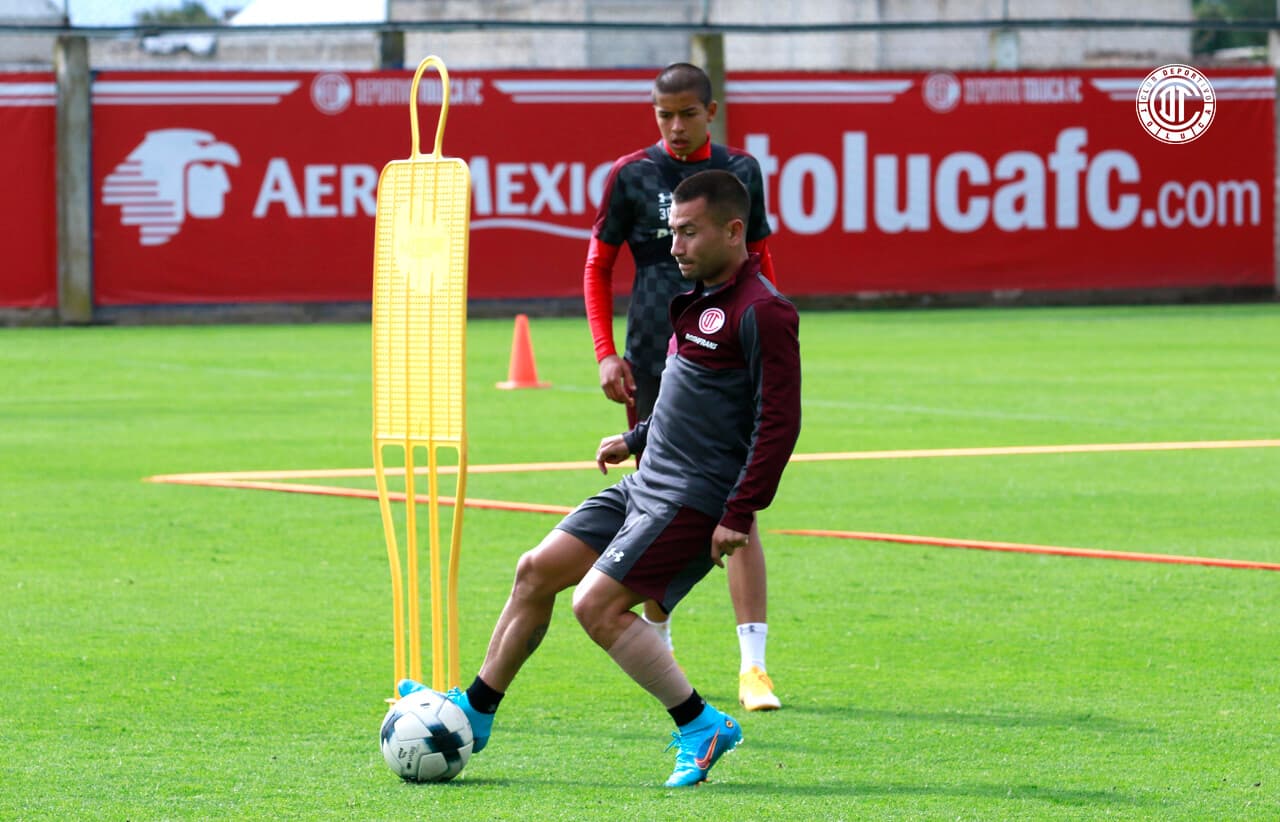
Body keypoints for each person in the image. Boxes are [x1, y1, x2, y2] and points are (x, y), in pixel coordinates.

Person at [402, 170, 801, 786]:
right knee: (535, 570)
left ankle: (699, 724)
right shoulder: (698, 296)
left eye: (689, 233)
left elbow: (778, 423)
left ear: (734, 231)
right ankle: (476, 710)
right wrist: (636, 438)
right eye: (672, 233)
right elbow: (689, 396)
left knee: (597, 607)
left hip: (692, 498)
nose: (675, 246)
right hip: (647, 482)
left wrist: (739, 512)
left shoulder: (764, 312)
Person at [583, 62, 783, 711]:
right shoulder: (630, 174)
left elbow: (761, 257)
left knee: (739, 503)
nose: (674, 125)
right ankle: (658, 643)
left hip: (728, 357)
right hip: (652, 356)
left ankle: (754, 667)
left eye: (686, 114)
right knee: (658, 512)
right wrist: (606, 353)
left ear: (710, 111)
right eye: (662, 114)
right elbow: (598, 263)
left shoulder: (739, 174)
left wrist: (769, 324)